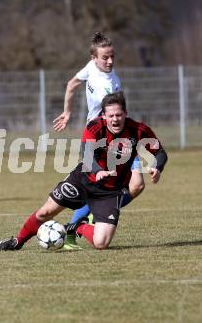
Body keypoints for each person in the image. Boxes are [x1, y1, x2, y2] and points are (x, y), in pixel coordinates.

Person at [0, 92, 167, 251]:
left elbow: (160, 152)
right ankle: (17, 241)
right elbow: (87, 153)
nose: (115, 119)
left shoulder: (138, 130)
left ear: (126, 114)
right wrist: (97, 171)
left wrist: (157, 167)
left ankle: (77, 226)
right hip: (83, 180)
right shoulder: (95, 127)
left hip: (109, 192)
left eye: (119, 115)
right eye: (111, 115)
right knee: (46, 212)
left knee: (101, 243)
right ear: (103, 116)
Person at [52, 32, 145, 250]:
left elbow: (72, 84)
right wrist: (67, 112)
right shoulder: (105, 85)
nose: (110, 61)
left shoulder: (96, 68)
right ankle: (79, 225)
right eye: (105, 57)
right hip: (104, 142)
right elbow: (72, 84)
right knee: (105, 188)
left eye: (112, 56)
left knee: (137, 184)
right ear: (94, 58)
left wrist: (68, 112)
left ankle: (87, 220)